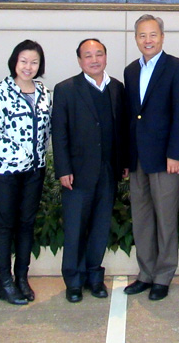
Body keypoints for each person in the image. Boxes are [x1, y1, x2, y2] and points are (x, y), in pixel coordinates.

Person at [123, 14, 179, 301]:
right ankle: (146, 273)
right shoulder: (130, 70)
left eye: (153, 34)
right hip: (138, 158)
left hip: (166, 158)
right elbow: (132, 117)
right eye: (142, 35)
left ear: (162, 37)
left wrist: (176, 153)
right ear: (136, 38)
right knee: (141, 218)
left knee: (165, 218)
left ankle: (163, 275)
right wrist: (127, 158)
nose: (148, 40)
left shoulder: (177, 68)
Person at [52, 39, 126, 303]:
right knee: (75, 228)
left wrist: (123, 162)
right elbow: (59, 132)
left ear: (105, 57)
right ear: (79, 60)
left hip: (108, 169)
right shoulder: (65, 89)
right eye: (88, 55)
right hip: (77, 172)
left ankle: (94, 276)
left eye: (99, 54)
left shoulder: (117, 88)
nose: (94, 60)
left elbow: (121, 129)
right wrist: (63, 168)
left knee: (100, 227)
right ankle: (73, 280)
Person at [0, 40, 52, 306]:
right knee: (4, 226)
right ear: (15, 62)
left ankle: (22, 277)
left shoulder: (43, 92)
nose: (28, 67)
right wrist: (21, 157)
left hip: (35, 171)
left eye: (34, 62)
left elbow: (47, 130)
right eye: (24, 61)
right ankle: (5, 282)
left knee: (26, 224)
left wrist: (37, 158)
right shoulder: (1, 92)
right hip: (6, 172)